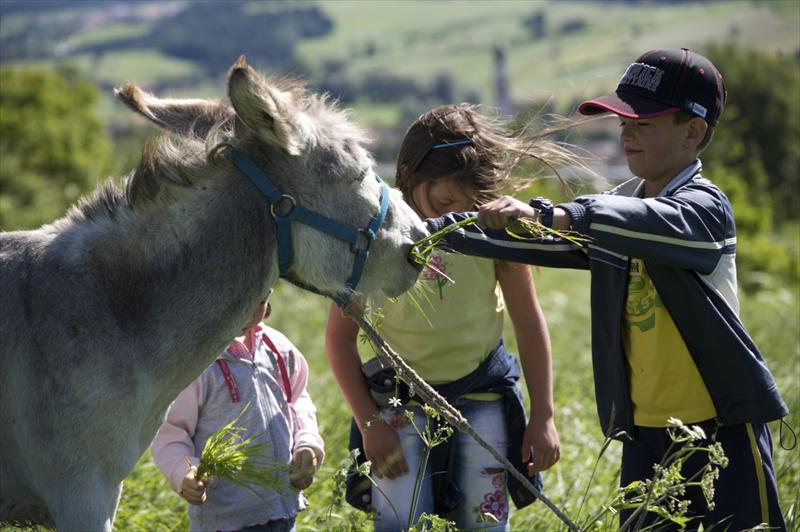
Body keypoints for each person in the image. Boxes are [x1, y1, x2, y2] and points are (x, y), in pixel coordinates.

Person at [426, 48, 788, 530]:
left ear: (693, 131)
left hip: (725, 425)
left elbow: (633, 223)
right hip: (648, 434)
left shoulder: (705, 208)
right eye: (623, 122)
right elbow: (550, 237)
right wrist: (436, 232)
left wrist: (552, 213)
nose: (627, 134)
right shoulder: (616, 208)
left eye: (644, 123)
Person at [325, 104, 579, 531]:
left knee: (484, 525)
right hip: (400, 410)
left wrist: (544, 416)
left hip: (483, 401)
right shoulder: (374, 237)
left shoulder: (495, 233)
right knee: (401, 525)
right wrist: (369, 423)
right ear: (408, 174)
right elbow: (339, 339)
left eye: (470, 201)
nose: (456, 211)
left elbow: (529, 323)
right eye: (444, 201)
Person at [151, 292, 324, 532]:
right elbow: (170, 433)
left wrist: (307, 442)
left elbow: (297, 402)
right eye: (237, 296)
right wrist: (184, 472)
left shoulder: (278, 348)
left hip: (282, 510)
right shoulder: (197, 362)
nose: (247, 310)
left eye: (259, 300)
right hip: (224, 519)